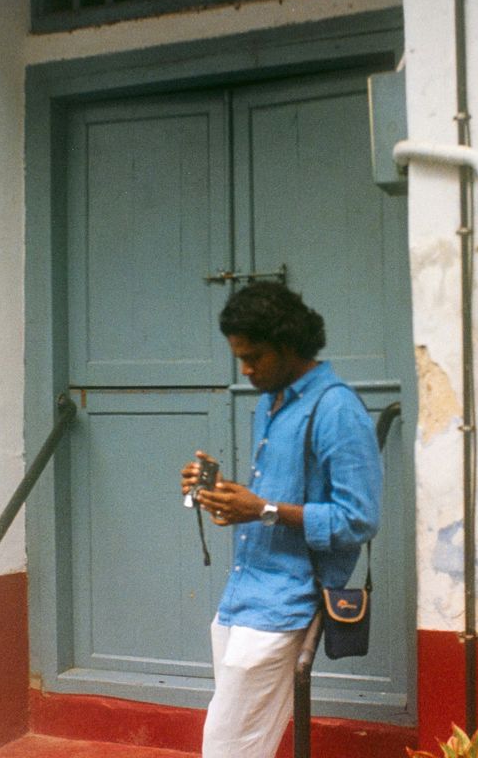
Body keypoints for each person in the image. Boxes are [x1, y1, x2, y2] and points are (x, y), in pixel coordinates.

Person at [179, 281, 381, 758]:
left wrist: (262, 509)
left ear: (290, 346)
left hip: (288, 599)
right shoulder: (270, 405)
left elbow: (360, 518)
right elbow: (273, 502)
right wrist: (226, 496)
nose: (246, 370)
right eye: (239, 359)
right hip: (242, 596)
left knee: (228, 748)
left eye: (255, 358)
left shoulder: (336, 408)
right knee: (236, 744)